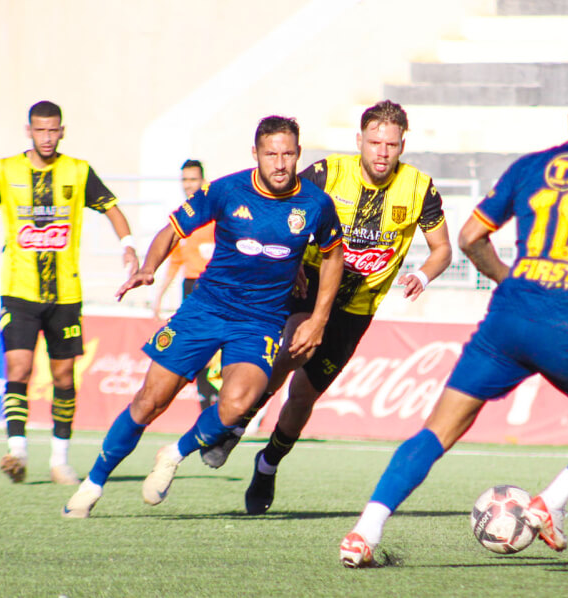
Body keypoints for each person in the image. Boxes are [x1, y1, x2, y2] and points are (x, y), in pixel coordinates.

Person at [338, 79, 568, 567]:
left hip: (506, 321)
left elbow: (470, 237)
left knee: (438, 429)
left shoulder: (529, 166)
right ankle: (549, 504)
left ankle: (365, 531)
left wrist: (507, 280)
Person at [62, 115, 344, 518]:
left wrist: (318, 318)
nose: (280, 164)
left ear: (298, 155)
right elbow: (173, 230)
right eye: (271, 154)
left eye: (287, 154)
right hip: (204, 309)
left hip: (260, 321)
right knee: (148, 401)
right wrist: (149, 267)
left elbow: (334, 256)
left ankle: (174, 454)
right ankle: (92, 485)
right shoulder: (227, 190)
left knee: (235, 405)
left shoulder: (315, 205)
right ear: (255, 155)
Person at [198, 100, 453, 516]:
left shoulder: (419, 188)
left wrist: (423, 274)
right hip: (311, 284)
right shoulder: (328, 172)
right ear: (360, 141)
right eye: (374, 142)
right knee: (295, 346)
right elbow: (284, 209)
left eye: (390, 144)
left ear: (402, 145)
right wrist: (293, 260)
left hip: (357, 307)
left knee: (302, 398)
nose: (382, 153)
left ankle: (267, 464)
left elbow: (442, 249)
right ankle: (240, 420)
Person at [0, 100, 139, 485]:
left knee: (64, 376)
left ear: (62, 131)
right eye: (40, 130)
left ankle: (60, 460)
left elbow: (111, 208)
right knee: (19, 367)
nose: (47, 137)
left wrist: (127, 243)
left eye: (53, 130)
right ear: (28, 130)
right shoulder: (4, 170)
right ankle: (17, 452)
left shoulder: (77, 171)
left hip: (65, 294)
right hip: (19, 291)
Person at [151, 159, 219, 409]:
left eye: (194, 179)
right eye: (185, 180)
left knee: (221, 347)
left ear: (203, 180)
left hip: (217, 286)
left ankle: (234, 404)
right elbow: (176, 259)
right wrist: (159, 295)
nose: (189, 185)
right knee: (197, 348)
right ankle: (206, 405)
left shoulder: (215, 211)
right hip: (191, 288)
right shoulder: (182, 216)